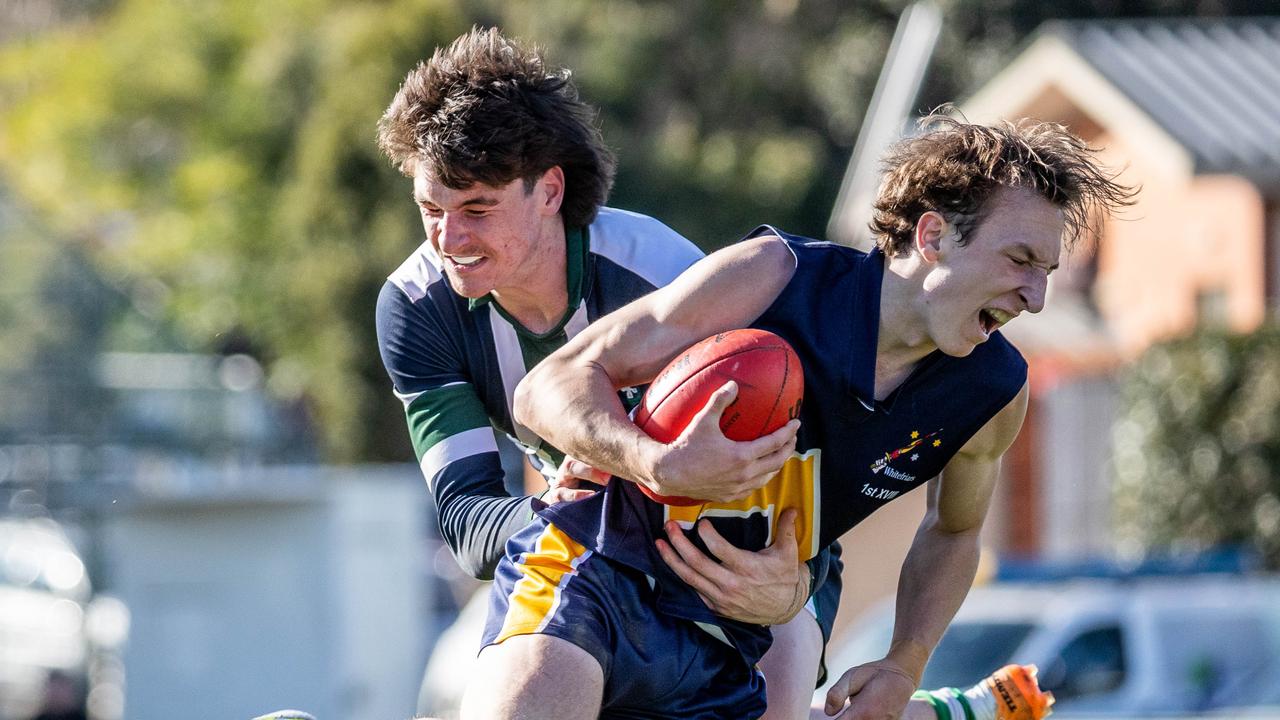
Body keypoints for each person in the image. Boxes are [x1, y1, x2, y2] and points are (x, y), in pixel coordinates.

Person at [479, 114, 1133, 719]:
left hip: (739, 624)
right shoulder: (774, 277)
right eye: (1020, 260)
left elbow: (953, 531)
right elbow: (545, 388)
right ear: (933, 236)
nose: (1037, 298)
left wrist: (904, 662)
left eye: (1046, 272)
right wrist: (655, 461)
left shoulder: (993, 390)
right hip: (599, 566)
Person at [374, 27, 840, 719]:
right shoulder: (415, 307)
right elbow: (468, 521)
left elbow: (804, 470)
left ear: (550, 190)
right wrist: (564, 505)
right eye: (430, 211)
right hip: (587, 548)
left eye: (477, 209)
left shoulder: (661, 275)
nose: (449, 240)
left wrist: (794, 583)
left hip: (743, 549)